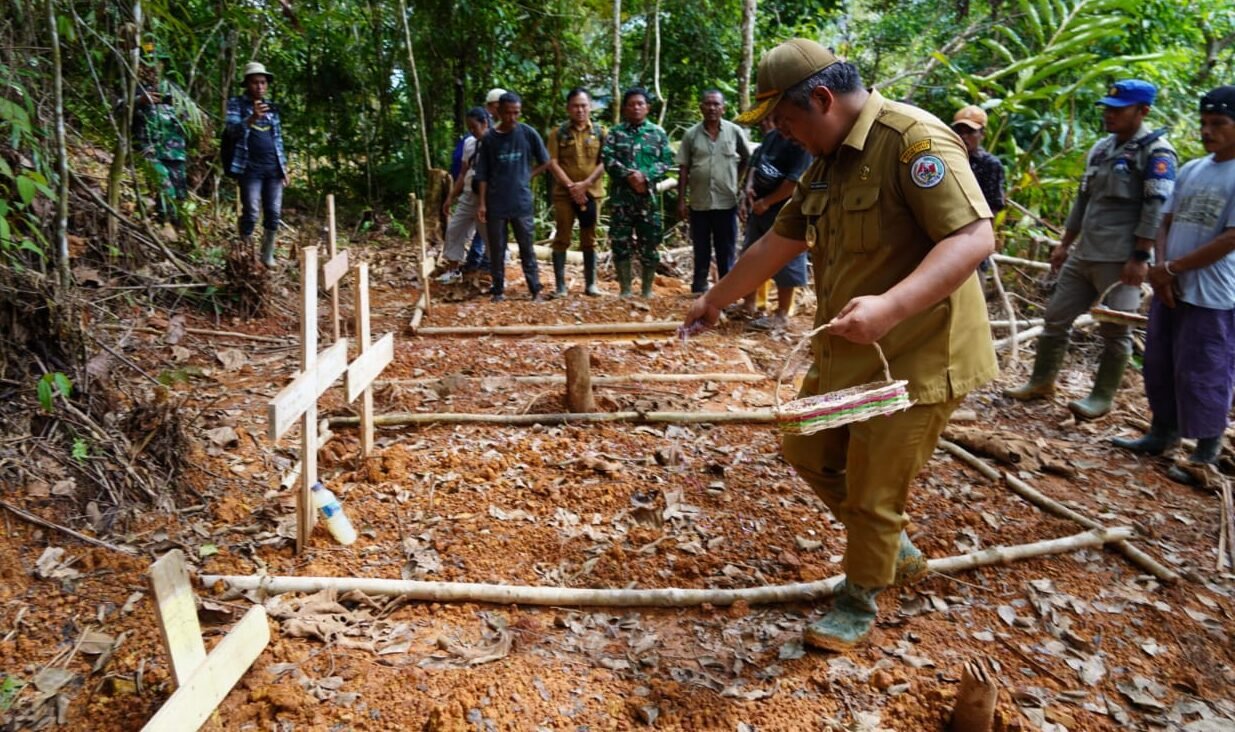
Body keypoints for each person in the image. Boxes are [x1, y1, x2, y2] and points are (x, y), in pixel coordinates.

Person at [684, 39, 997, 651]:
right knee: (807, 447)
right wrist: (715, 299)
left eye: (785, 120)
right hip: (850, 356)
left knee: (874, 487)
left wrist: (890, 307)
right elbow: (780, 242)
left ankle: (858, 597)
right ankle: (890, 549)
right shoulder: (826, 161)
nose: (782, 133)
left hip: (917, 357)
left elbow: (972, 238)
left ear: (822, 100)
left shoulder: (915, 141)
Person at [1005, 80, 1177, 418]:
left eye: (1118, 109)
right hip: (1085, 252)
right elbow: (1083, 200)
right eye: (1107, 109)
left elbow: (1156, 208)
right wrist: (1065, 244)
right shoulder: (1101, 148)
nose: (1109, 115)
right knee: (1055, 317)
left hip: (1122, 258)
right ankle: (1041, 381)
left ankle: (1101, 398)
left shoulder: (1157, 153)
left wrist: (1141, 257)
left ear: (1143, 111)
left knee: (1115, 330)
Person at [1112, 86, 1235, 484]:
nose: (1207, 131)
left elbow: (1231, 236)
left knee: (1204, 368)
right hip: (1172, 284)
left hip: (1213, 292)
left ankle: (1205, 454)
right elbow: (1166, 220)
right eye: (1203, 123)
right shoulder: (1194, 168)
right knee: (1162, 362)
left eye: (1218, 124)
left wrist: (1174, 269)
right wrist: (1162, 267)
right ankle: (1161, 433)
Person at [736, 116, 811, 331]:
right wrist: (748, 189)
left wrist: (767, 202)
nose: (770, 124)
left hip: (786, 211)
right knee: (750, 255)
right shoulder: (771, 137)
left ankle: (781, 314)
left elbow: (794, 182)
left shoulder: (801, 144)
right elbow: (754, 164)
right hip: (758, 208)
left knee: (786, 262)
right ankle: (749, 303)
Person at [474, 92, 549, 302]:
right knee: (497, 248)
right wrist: (481, 203)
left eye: (516, 113)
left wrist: (528, 175)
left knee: (527, 246)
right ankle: (497, 290)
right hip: (496, 201)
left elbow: (545, 161)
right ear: (499, 112)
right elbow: (482, 173)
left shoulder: (528, 133)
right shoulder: (489, 138)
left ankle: (535, 289)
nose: (512, 117)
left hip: (521, 201)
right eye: (508, 113)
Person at [602, 87, 674, 298]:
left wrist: (645, 176)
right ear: (625, 108)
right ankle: (625, 289)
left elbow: (666, 161)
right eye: (631, 104)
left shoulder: (657, 133)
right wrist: (628, 176)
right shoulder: (616, 133)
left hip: (647, 200)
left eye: (640, 104)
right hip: (621, 200)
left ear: (648, 108)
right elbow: (607, 159)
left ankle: (647, 290)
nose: (636, 108)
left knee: (650, 243)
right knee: (620, 243)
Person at [678, 90, 752, 294]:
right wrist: (681, 201)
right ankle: (699, 288)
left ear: (723, 108)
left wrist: (737, 181)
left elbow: (747, 158)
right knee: (701, 248)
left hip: (726, 201)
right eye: (708, 104)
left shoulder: (734, 131)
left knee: (726, 249)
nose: (712, 108)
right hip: (699, 202)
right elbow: (684, 168)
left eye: (716, 104)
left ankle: (725, 291)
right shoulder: (691, 135)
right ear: (701, 107)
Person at [225, 61, 290, 267]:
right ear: (247, 84)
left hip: (273, 168)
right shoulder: (236, 104)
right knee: (251, 212)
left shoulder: (272, 108)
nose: (260, 87)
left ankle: (266, 255)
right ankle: (244, 253)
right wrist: (252, 118)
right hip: (249, 168)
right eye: (255, 83)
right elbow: (230, 132)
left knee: (273, 212)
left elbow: (277, 139)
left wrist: (284, 168)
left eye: (263, 83)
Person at [547, 88, 607, 297]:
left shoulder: (600, 132)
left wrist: (586, 184)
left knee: (589, 238)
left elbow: (604, 162)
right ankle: (560, 286)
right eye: (575, 106)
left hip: (592, 194)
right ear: (568, 108)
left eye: (583, 105)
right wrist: (572, 186)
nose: (580, 110)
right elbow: (552, 162)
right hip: (565, 195)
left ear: (590, 107)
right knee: (562, 237)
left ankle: (591, 284)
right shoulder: (558, 133)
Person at [133, 44, 189, 226]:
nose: (153, 67)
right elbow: (118, 107)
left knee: (180, 194)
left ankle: (176, 233)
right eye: (148, 63)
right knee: (165, 189)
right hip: (150, 149)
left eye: (157, 63)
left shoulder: (173, 88)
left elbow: (187, 115)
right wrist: (139, 101)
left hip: (175, 150)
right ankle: (163, 227)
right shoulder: (135, 88)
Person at [438, 108, 490, 284]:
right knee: (455, 230)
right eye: (470, 128)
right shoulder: (469, 143)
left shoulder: (496, 143)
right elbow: (462, 173)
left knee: (490, 236)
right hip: (468, 194)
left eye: (475, 127)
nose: (473, 131)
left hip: (488, 197)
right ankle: (454, 271)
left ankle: (497, 274)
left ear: (485, 124)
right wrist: (450, 197)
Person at [952, 105, 1005, 215]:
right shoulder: (949, 158)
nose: (964, 136)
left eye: (970, 132)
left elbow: (993, 206)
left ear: (982, 134)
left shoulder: (990, 164)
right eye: (959, 132)